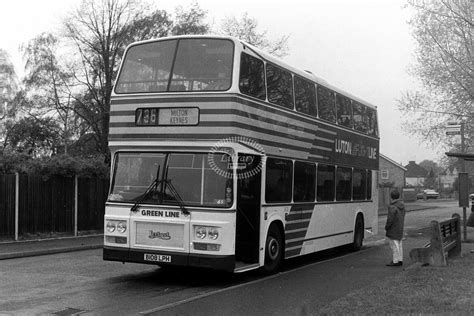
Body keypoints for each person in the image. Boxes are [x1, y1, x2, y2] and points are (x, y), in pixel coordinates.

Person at [385, 190, 406, 266]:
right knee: (399, 244)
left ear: (391, 197)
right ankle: (400, 259)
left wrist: (387, 227)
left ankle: (395, 261)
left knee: (394, 245)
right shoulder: (402, 206)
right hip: (400, 226)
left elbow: (390, 219)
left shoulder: (392, 207)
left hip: (393, 228)